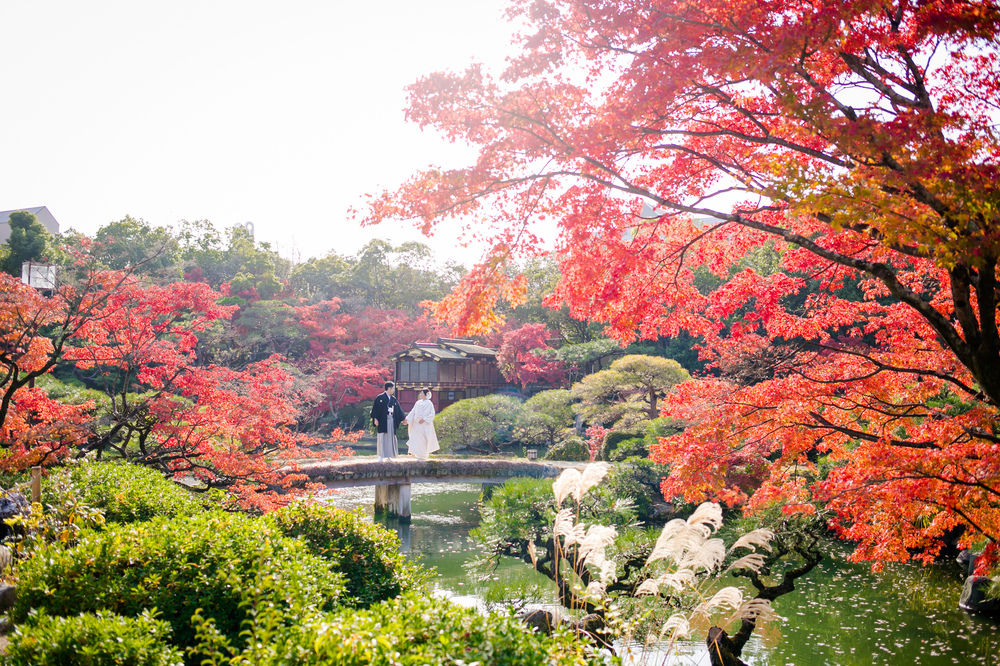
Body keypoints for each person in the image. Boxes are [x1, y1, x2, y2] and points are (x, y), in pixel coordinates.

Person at [371, 381, 406, 462]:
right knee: (382, 437)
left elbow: (399, 410)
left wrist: (403, 419)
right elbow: (375, 410)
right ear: (389, 388)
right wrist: (375, 419)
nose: (394, 390)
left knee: (390, 438)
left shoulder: (393, 399)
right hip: (382, 421)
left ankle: (388, 455)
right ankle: (380, 455)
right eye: (393, 388)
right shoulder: (379, 398)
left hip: (391, 420)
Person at [405, 388, 440, 461]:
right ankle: (417, 453)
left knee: (424, 440)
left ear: (426, 395)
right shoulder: (418, 403)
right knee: (416, 439)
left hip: (424, 425)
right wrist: (407, 419)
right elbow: (413, 412)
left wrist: (424, 419)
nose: (420, 395)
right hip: (417, 424)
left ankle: (423, 455)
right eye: (420, 393)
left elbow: (432, 414)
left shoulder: (429, 403)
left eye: (422, 393)